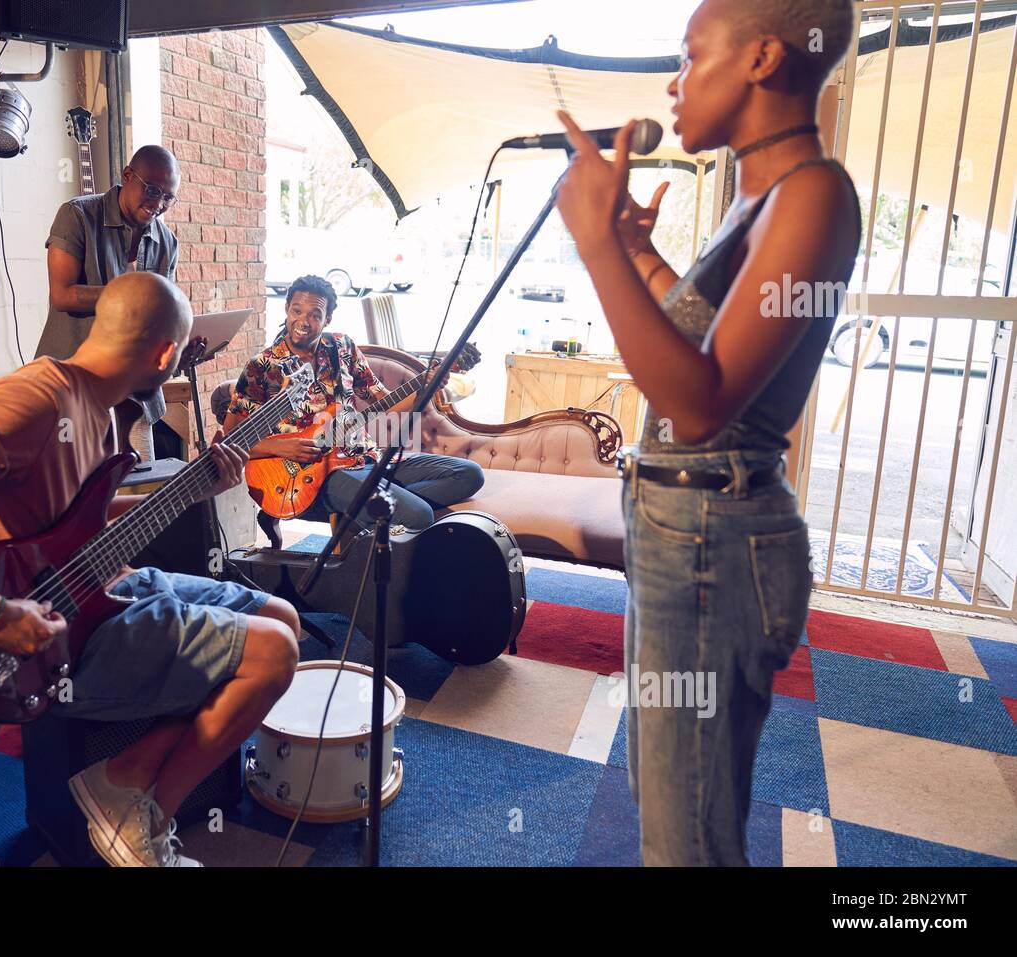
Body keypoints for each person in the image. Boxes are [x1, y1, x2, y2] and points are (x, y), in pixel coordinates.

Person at [554, 0, 860, 865]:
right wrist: (638, 252)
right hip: (678, 530)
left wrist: (597, 252)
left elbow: (701, 399)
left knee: (688, 838)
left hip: (716, 539)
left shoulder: (814, 195)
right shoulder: (756, 197)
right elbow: (701, 345)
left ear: (764, 58)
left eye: (690, 56)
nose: (674, 80)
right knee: (670, 802)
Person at [0, 273, 299, 868]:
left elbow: (82, 517)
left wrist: (194, 490)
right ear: (167, 354)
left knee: (282, 616)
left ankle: (128, 772)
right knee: (274, 654)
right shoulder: (38, 397)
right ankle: (143, 814)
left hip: (102, 586)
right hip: (43, 637)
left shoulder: (100, 407)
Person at [223, 274, 484, 531]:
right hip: (314, 475)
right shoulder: (264, 366)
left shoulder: (342, 347)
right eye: (297, 311)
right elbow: (230, 440)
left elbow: (385, 404)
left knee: (469, 474)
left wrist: (424, 387)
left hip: (367, 459)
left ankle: (370, 509)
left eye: (315, 315)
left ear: (327, 319)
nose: (303, 321)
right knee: (418, 515)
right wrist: (283, 448)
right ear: (287, 309)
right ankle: (380, 508)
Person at [35, 145, 183, 455]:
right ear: (128, 175)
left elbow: (162, 315)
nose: (158, 203)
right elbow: (62, 294)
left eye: (168, 197)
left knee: (141, 496)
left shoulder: (167, 242)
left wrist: (183, 345)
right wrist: (134, 296)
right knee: (75, 496)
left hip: (135, 398)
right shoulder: (77, 215)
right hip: (71, 390)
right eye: (152, 190)